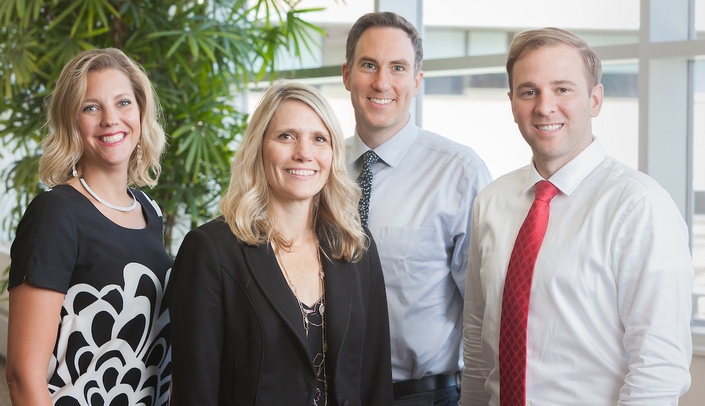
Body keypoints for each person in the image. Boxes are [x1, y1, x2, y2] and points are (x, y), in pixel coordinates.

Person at [461, 27, 694, 405]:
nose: (544, 106)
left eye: (562, 89)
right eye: (529, 91)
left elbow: (659, 364)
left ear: (595, 99)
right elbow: (476, 336)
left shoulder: (641, 206)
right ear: (511, 102)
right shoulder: (491, 200)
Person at [168, 80, 393, 406]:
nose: (304, 153)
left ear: (332, 154)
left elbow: (375, 384)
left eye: (319, 139)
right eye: (286, 136)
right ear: (259, 147)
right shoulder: (209, 251)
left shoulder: (355, 246)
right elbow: (194, 394)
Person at [6, 48, 172, 405]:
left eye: (123, 103)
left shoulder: (149, 210)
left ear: (142, 113)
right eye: (91, 107)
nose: (111, 119)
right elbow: (23, 377)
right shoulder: (55, 214)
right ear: (71, 121)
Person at [342, 11, 492, 406]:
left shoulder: (460, 173)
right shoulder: (318, 168)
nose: (381, 82)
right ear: (346, 75)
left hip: (422, 396)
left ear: (416, 82)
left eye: (398, 68)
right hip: (325, 390)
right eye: (369, 65)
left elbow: (483, 310)